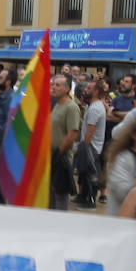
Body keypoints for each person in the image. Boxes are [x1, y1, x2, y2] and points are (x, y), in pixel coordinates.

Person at [49, 74, 81, 211]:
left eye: (57, 85)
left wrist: (58, 153)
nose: (53, 87)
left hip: (61, 158)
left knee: (60, 194)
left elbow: (73, 133)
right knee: (51, 193)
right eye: (52, 84)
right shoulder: (57, 105)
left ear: (67, 89)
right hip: (51, 156)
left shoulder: (71, 107)